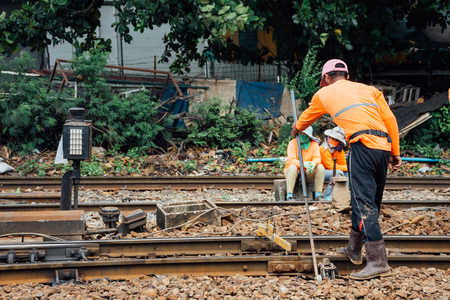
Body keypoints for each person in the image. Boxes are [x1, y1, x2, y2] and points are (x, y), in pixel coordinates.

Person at [291, 59, 402, 280]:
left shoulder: (324, 93)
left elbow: (305, 119)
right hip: (382, 147)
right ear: (347, 76)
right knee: (369, 202)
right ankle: (354, 249)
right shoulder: (369, 90)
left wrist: (296, 128)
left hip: (362, 146)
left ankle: (378, 261)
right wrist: (395, 152)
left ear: (325, 79)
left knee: (364, 204)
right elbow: (389, 118)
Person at [284, 126, 330, 201]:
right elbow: (291, 159)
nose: (302, 134)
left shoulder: (314, 144)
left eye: (304, 133)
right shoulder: (292, 143)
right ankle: (289, 195)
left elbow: (317, 158)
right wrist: (303, 164)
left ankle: (318, 195)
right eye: (300, 133)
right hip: (293, 171)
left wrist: (313, 163)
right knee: (293, 167)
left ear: (309, 135)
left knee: (320, 167)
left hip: (308, 172)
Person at [320, 126, 348, 198]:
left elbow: (342, 164)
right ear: (328, 137)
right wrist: (349, 167)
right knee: (339, 173)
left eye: (337, 140)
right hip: (321, 172)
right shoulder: (323, 148)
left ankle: (345, 194)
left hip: (331, 171)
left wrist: (340, 152)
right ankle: (327, 195)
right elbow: (331, 166)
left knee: (347, 173)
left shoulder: (336, 149)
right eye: (332, 138)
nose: (334, 140)